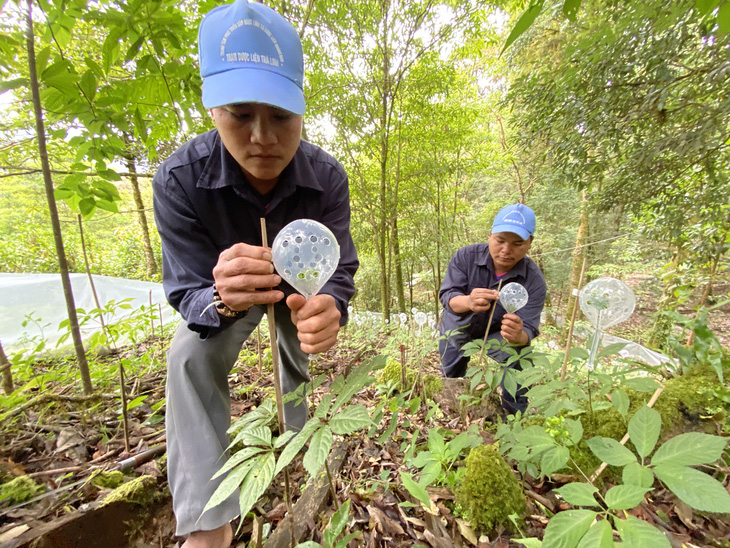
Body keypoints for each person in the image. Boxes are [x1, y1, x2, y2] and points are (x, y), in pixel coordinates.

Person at [152, 1, 358, 546]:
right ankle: (208, 518)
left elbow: (341, 270)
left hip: (296, 292)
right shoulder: (179, 180)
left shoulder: (327, 179)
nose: (262, 137)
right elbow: (186, 292)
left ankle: (296, 442)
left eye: (281, 116)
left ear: (302, 110)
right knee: (187, 358)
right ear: (213, 109)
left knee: (298, 344)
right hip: (227, 303)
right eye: (241, 115)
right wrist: (221, 297)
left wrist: (329, 306)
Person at [438, 203, 546, 414]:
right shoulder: (465, 257)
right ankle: (452, 413)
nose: (506, 250)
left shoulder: (534, 280)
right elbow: (447, 297)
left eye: (517, 243)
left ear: (530, 243)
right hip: (458, 325)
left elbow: (529, 329)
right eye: (500, 241)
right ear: (490, 235)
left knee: (519, 358)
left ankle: (514, 415)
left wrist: (518, 336)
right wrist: (468, 301)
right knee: (450, 377)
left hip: (498, 334)